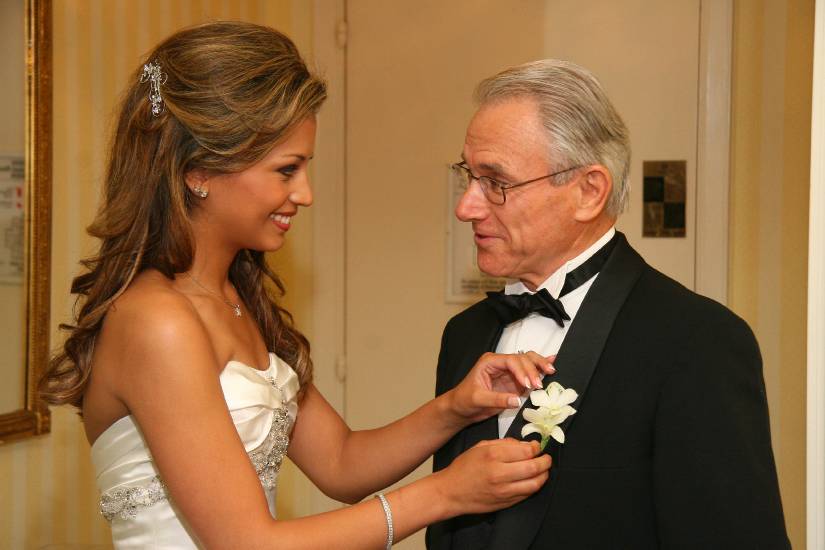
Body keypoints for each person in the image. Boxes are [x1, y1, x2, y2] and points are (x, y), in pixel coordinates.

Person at [39, 22, 554, 549]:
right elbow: (248, 543)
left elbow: (341, 463)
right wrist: (444, 494)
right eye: (286, 171)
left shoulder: (236, 299)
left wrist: (457, 407)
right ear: (199, 172)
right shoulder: (157, 321)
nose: (304, 194)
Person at [426, 59, 790, 549]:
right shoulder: (465, 335)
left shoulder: (699, 341)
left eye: (497, 183)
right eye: (468, 176)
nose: (465, 207)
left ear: (588, 192)